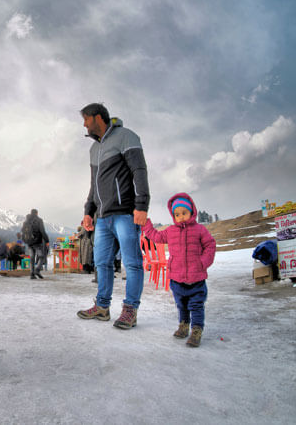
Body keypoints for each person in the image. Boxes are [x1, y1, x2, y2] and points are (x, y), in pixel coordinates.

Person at [76, 103, 150, 330]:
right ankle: (102, 307)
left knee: (132, 263)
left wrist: (141, 205)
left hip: (125, 213)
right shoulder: (94, 150)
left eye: (86, 120)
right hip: (102, 217)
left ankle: (130, 310)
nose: (84, 124)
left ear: (98, 117)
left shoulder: (126, 137)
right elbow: (94, 185)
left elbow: (139, 170)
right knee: (101, 263)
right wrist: (89, 211)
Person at [142, 193, 215, 347]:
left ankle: (196, 330)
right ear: (173, 215)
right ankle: (183, 325)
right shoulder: (171, 231)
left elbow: (210, 245)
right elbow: (156, 236)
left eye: (184, 213)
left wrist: (203, 262)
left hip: (196, 279)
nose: (181, 217)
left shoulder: (200, 230)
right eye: (177, 214)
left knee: (196, 306)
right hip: (177, 278)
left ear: (191, 212)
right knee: (181, 305)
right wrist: (146, 224)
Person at [22, 209, 50, 279]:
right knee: (41, 256)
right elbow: (42, 231)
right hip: (37, 242)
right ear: (37, 213)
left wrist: (26, 240)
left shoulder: (26, 221)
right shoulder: (39, 220)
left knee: (32, 258)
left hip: (29, 242)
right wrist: (47, 241)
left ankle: (32, 274)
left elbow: (23, 231)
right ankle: (37, 270)